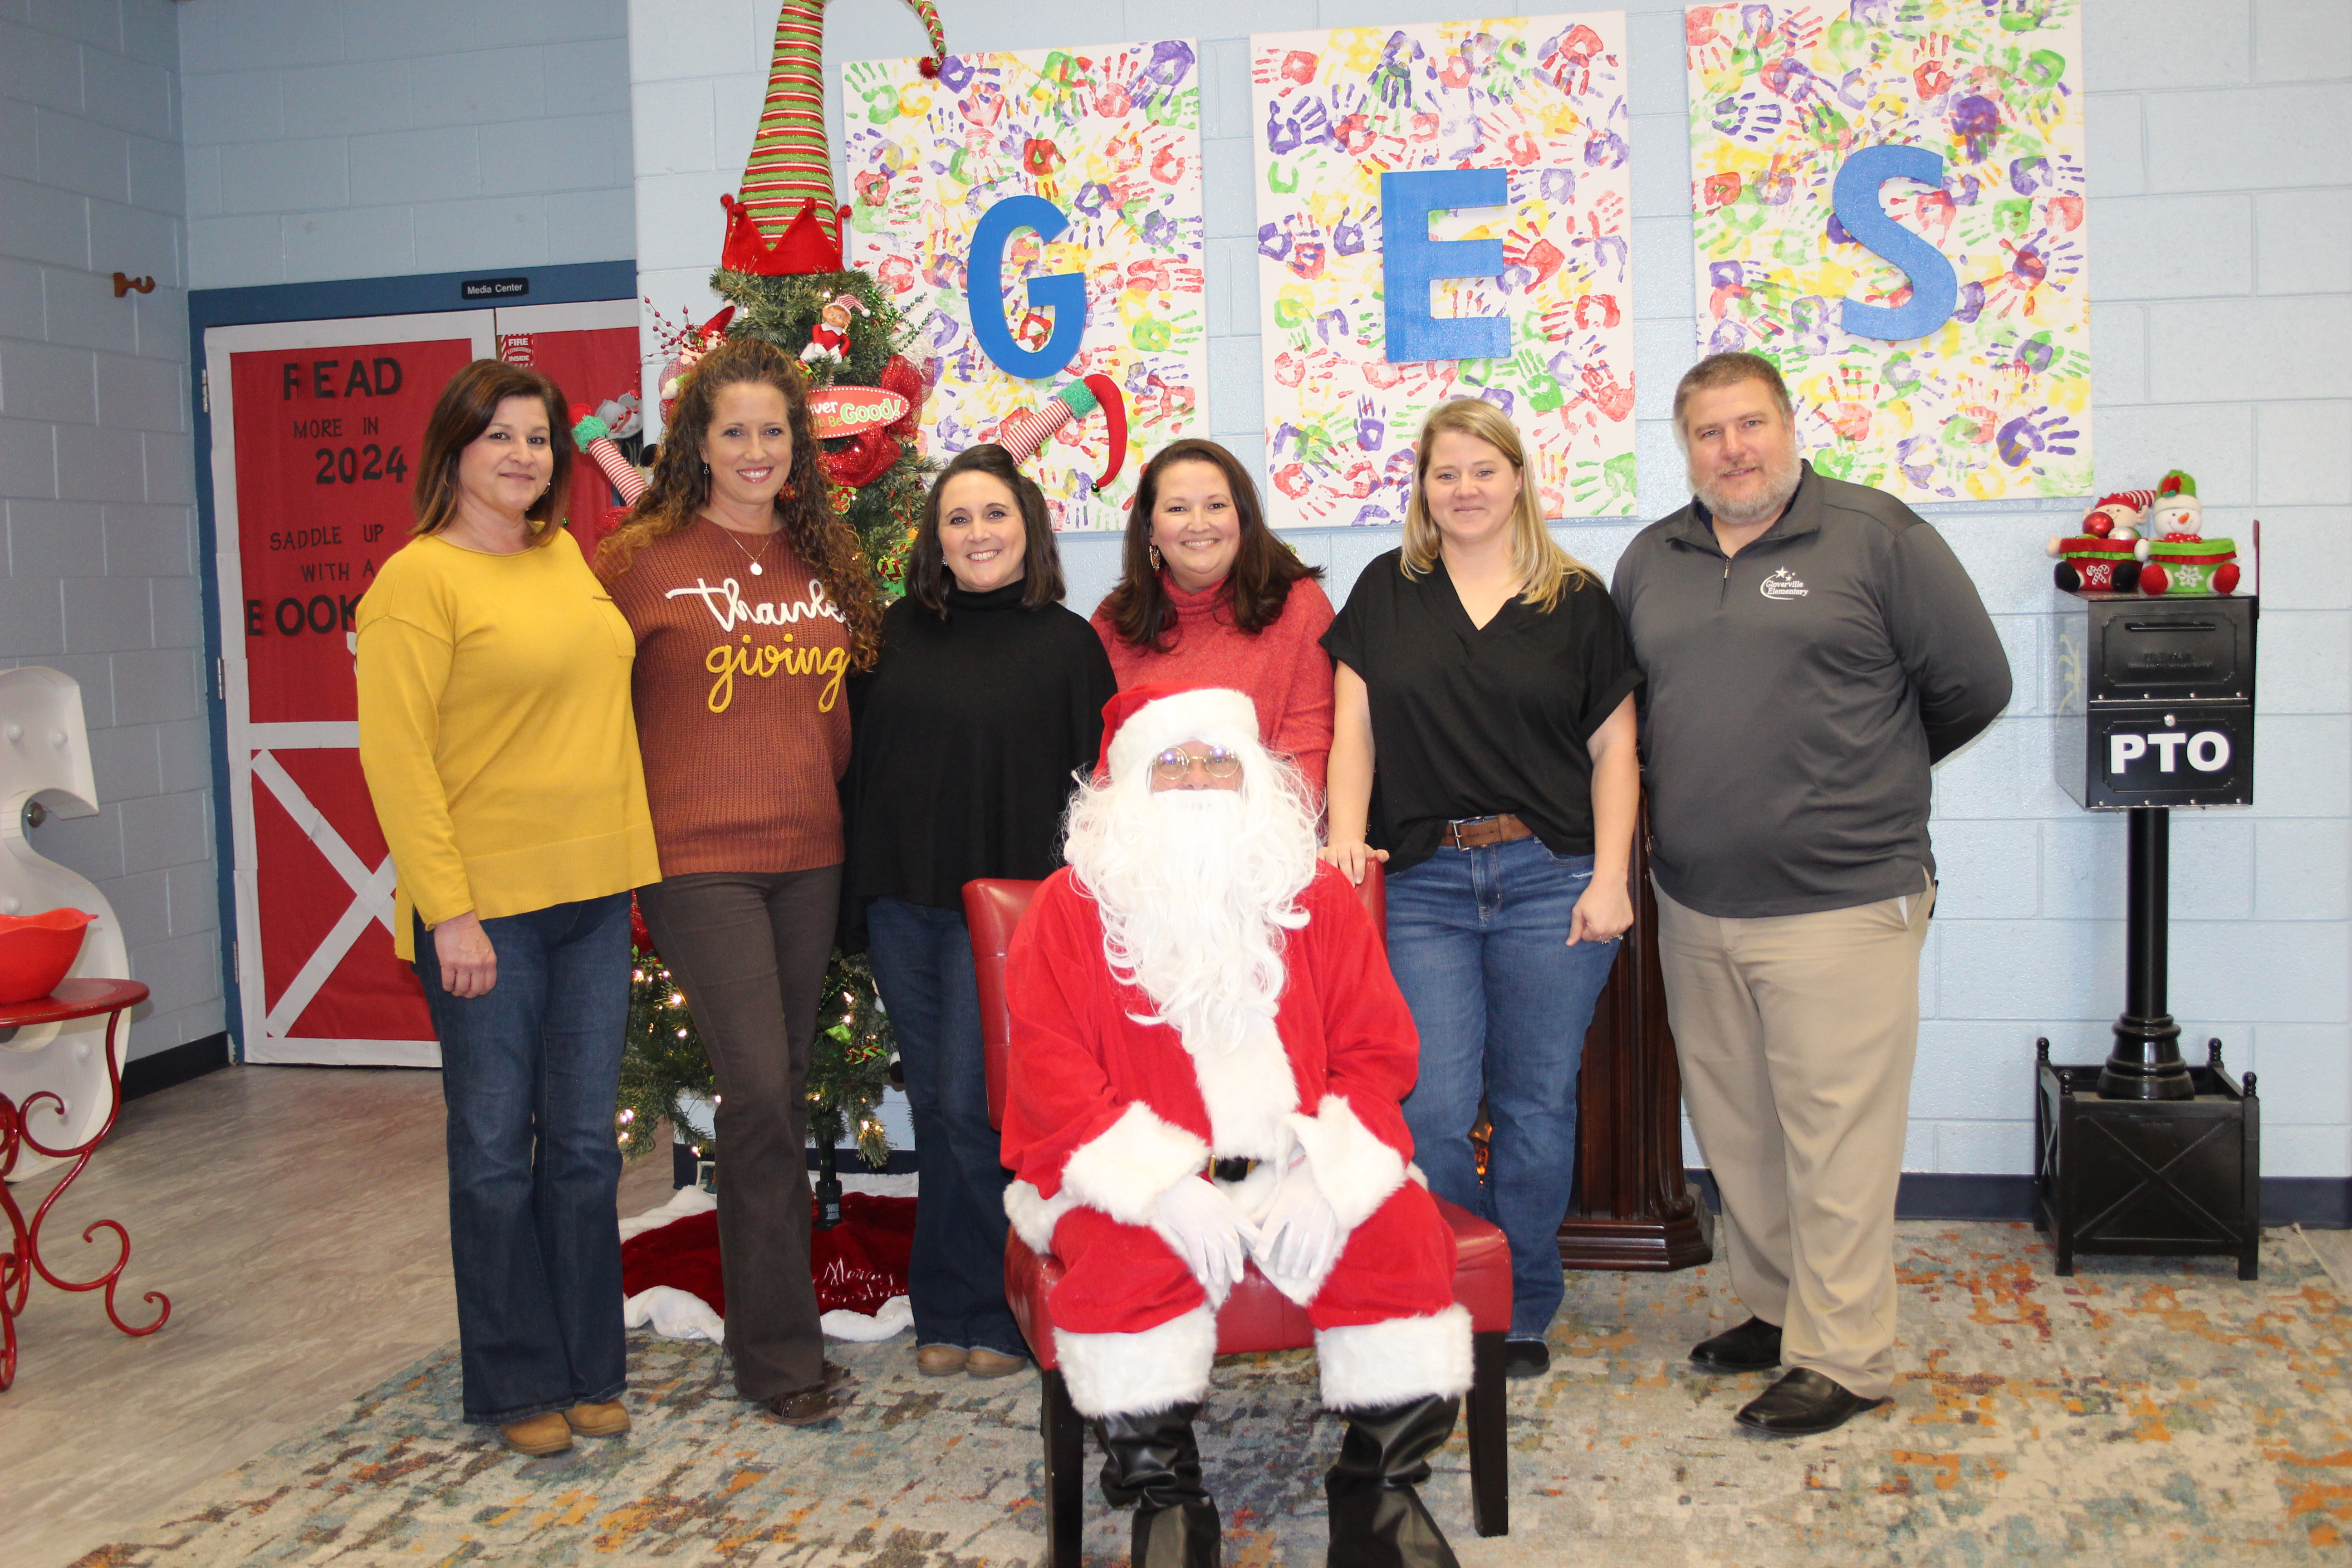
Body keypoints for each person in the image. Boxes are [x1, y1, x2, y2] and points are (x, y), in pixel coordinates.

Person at [1611, 351, 2010, 1437]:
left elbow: (1974, 683)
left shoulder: (1875, 536)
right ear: (1683, 445)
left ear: (1790, 427)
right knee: (1738, 1129)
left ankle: (1844, 1354)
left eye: (1751, 425)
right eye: (1708, 432)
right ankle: (1779, 1308)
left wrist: (1860, 775)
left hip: (1841, 899)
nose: (1732, 449)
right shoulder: (1652, 558)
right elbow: (1633, 719)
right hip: (1695, 900)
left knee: (1835, 1137)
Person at [1003, 684, 1471, 1568]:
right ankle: (1168, 1500)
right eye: (1168, 763)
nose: (1193, 780)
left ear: (1252, 774)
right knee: (1124, 1258)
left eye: (1214, 757)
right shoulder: (1070, 911)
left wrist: (1328, 1174)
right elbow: (1050, 1078)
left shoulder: (1315, 899)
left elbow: (1376, 1053)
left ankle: (1378, 1492)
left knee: (1402, 1234)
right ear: (1128, 782)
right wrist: (1162, 1190)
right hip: (1140, 1178)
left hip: (1294, 1162)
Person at [356, 359, 661, 1458]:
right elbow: (399, 766)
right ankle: (511, 1379)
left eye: (538, 438)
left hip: (590, 896)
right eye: (500, 436)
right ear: (454, 451)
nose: (524, 455)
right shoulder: (415, 583)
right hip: (486, 910)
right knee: (493, 1149)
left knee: (582, 1149)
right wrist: (449, 913)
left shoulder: (568, 556)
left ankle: (589, 1366)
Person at [595, 334, 885, 1426]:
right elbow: (581, 697)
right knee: (758, 1089)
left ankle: (777, 1329)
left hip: (808, 851)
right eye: (735, 431)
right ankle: (776, 1356)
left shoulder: (823, 557)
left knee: (787, 1085)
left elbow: (840, 713)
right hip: (697, 859)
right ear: (697, 445)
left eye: (774, 430)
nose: (757, 450)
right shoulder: (640, 557)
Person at [1320, 397, 1641, 1382]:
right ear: (1422, 486)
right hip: (1422, 885)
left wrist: (1615, 878)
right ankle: (1455, 1287)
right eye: (1445, 472)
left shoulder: (1575, 599)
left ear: (1518, 480)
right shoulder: (1387, 588)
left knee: (1536, 1105)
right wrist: (1342, 842)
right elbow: (1354, 736)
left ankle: (1525, 1302)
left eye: (1482, 470)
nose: (1464, 490)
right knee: (1432, 1107)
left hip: (1554, 879)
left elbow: (1615, 747)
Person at [843, 444, 1116, 1381]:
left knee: (976, 1108)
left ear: (1028, 528)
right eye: (957, 519)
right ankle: (946, 1309)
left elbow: (1097, 796)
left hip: (1009, 918)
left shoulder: (1069, 644)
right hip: (903, 907)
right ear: (936, 541)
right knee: (936, 1104)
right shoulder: (891, 634)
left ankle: (995, 1311)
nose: (977, 533)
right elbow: (862, 773)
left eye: (994, 514)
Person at [1092, 439, 1337, 795]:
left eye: (1216, 506)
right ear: (1150, 529)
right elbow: (1099, 767)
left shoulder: (1298, 605)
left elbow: (1310, 756)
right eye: (1178, 509)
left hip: (1263, 842)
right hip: (1141, 842)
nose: (1198, 524)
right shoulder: (1115, 620)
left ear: (1243, 517)